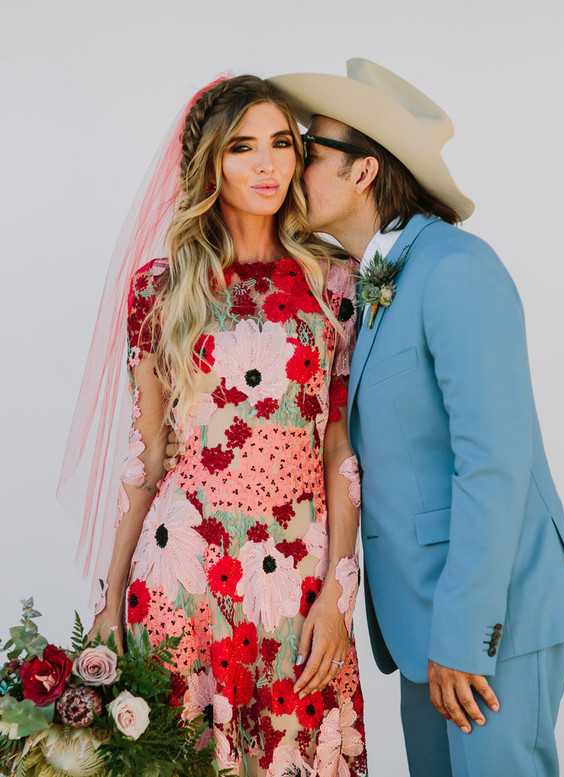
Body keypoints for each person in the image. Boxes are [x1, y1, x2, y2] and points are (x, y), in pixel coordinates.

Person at [266, 59, 564, 777]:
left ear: (364, 170)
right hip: (423, 623)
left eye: (310, 153)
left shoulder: (456, 266)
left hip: (491, 621)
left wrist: (466, 635)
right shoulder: (376, 281)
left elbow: (493, 461)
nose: (293, 169)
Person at [60, 75, 367, 775]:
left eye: (282, 145)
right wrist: (107, 600)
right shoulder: (160, 290)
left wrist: (338, 591)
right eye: (243, 148)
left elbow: (341, 445)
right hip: (181, 578)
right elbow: (145, 455)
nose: (267, 165)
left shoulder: (335, 284)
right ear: (210, 165)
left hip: (297, 584)